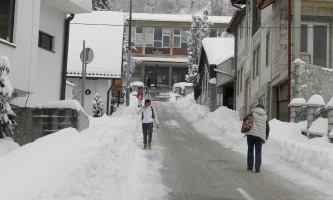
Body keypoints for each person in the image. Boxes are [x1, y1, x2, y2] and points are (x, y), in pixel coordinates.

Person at [243, 104, 270, 173]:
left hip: (250, 134)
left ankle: (250, 166)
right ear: (263, 109)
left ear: (256, 107)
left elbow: (244, 118)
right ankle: (257, 168)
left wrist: (246, 125)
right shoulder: (265, 116)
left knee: (250, 150)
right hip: (260, 137)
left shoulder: (252, 112)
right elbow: (267, 128)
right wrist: (265, 137)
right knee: (258, 152)